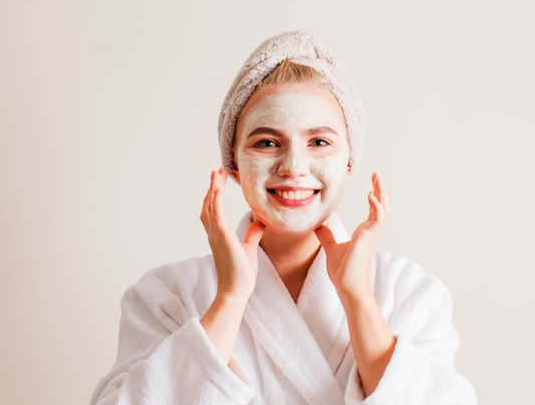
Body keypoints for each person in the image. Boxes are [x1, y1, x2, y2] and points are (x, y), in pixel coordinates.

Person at [90, 31, 477, 405]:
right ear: (234, 166)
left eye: (319, 142)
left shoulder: (410, 292)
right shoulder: (167, 296)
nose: (293, 167)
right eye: (267, 142)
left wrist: (358, 297)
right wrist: (229, 298)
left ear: (348, 162)